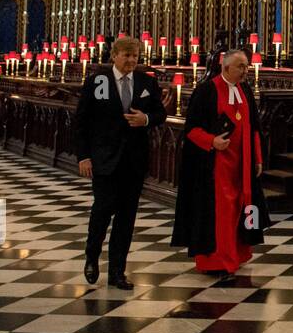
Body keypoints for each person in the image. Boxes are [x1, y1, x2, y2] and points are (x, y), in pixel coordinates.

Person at [74, 36, 167, 289]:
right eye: (126, 55)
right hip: (104, 159)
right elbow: (81, 122)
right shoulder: (97, 81)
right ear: (114, 55)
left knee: (127, 218)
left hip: (134, 161)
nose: (131, 60)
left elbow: (160, 113)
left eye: (135, 55)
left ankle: (117, 271)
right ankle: (92, 255)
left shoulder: (147, 81)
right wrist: (84, 156)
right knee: (102, 210)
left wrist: (145, 119)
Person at [172, 49, 272, 275]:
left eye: (246, 66)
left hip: (242, 165)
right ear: (226, 68)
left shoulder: (245, 89)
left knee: (244, 208)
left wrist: (257, 157)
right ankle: (216, 260)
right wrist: (212, 141)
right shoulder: (206, 90)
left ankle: (239, 254)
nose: (245, 71)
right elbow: (191, 129)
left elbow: (254, 128)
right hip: (215, 167)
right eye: (240, 67)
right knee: (221, 213)